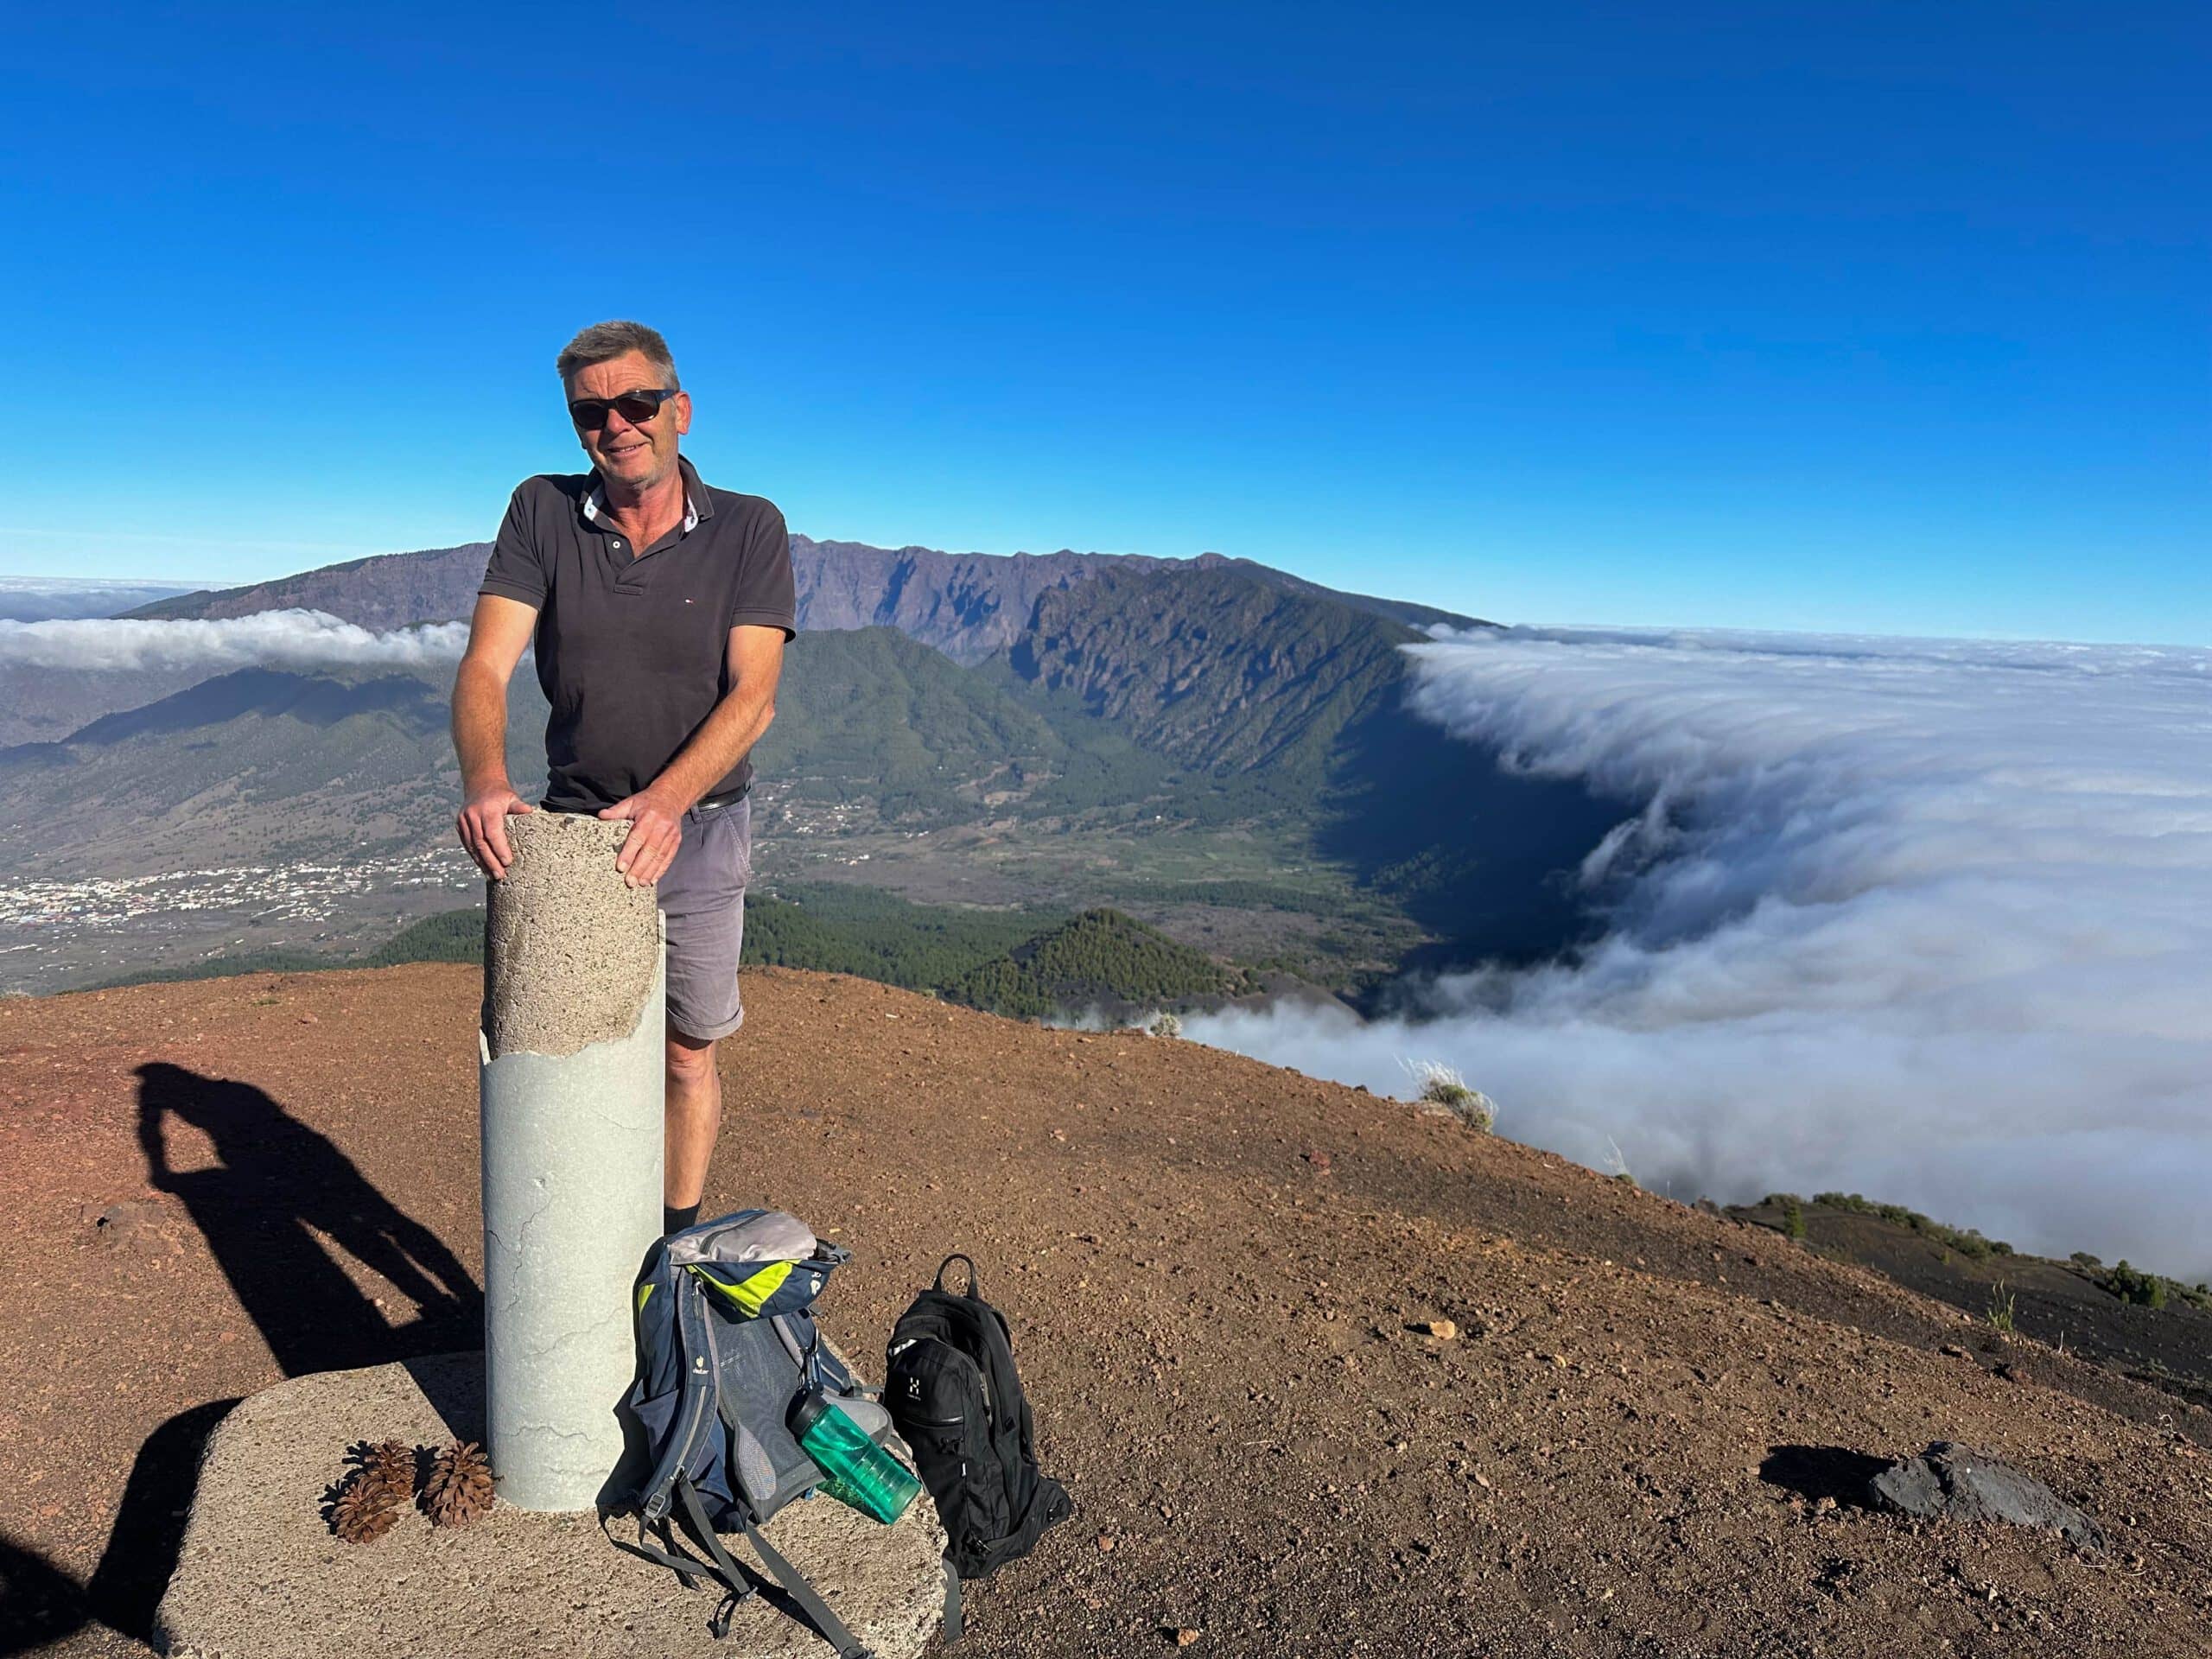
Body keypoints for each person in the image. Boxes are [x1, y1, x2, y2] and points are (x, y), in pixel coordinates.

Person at [451, 320, 794, 1236]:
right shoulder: (540, 511)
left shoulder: (749, 528)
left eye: (636, 403)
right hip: (576, 832)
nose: (616, 424)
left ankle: (672, 1247)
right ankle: (575, 1243)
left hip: (704, 827)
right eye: (591, 411)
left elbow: (754, 696)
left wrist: (670, 802)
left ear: (678, 411)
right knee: (567, 1054)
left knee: (687, 1054)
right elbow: (485, 667)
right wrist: (487, 779)